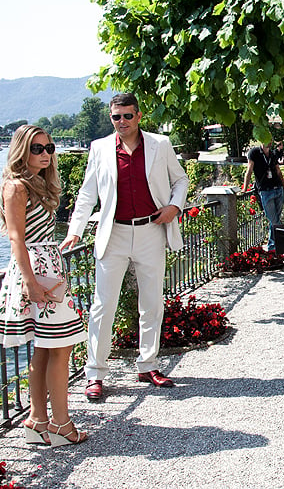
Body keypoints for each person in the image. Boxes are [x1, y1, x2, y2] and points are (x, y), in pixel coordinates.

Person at [62, 93, 189, 400]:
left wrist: (174, 207)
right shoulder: (99, 148)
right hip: (114, 234)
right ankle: (95, 373)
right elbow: (87, 194)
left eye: (127, 116)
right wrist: (74, 232)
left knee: (151, 303)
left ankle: (148, 364)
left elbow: (181, 180)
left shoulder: (160, 145)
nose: (121, 122)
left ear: (139, 116)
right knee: (102, 306)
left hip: (151, 230)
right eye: (116, 117)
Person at [0, 125, 88, 446]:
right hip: (34, 271)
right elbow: (16, 239)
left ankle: (37, 420)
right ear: (21, 150)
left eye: (49, 148)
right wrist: (30, 282)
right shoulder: (16, 187)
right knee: (59, 347)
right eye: (37, 149)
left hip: (49, 266)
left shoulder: (39, 183)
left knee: (47, 349)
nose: (45, 154)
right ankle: (61, 424)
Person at [243, 142, 284, 251]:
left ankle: (272, 246)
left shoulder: (273, 154)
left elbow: (278, 172)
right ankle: (276, 245)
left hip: (277, 189)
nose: (269, 141)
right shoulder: (254, 153)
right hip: (265, 191)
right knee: (274, 220)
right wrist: (244, 188)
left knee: (275, 220)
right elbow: (249, 170)